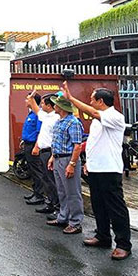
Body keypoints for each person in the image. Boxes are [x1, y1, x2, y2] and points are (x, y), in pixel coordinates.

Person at [62, 82, 131, 261]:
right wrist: (88, 163)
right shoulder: (96, 121)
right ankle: (102, 236)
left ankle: (123, 244)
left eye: (92, 98)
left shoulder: (114, 116)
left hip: (109, 169)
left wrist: (70, 98)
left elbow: (92, 112)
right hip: (96, 168)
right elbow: (94, 143)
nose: (90, 101)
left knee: (115, 207)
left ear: (100, 101)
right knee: (98, 205)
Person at [46, 94, 84, 235]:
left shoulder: (73, 122)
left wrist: (72, 164)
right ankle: (63, 217)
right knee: (62, 190)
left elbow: (77, 146)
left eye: (56, 104)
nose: (53, 105)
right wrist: (52, 157)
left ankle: (75, 222)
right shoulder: (59, 122)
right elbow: (57, 142)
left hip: (68, 159)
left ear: (61, 107)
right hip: (58, 158)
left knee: (73, 192)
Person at [25, 92, 60, 215]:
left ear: (50, 106)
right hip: (44, 151)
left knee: (51, 181)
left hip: (50, 152)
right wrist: (31, 99)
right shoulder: (47, 116)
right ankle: (50, 203)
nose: (41, 105)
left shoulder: (56, 118)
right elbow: (36, 110)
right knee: (46, 179)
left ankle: (57, 207)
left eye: (43, 103)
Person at [20, 92, 44, 205]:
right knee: (32, 170)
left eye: (27, 99)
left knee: (37, 171)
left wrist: (36, 146)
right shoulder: (31, 114)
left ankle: (39, 195)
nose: (25, 101)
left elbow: (40, 132)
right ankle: (35, 192)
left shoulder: (38, 115)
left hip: (34, 145)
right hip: (28, 144)